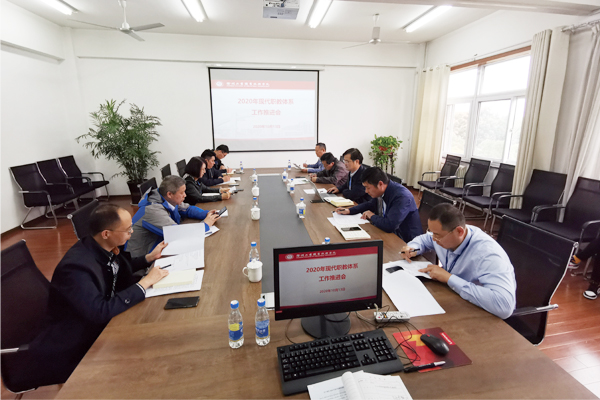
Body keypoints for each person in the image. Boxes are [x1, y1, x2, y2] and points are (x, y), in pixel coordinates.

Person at [12, 204, 169, 389]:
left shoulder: (100, 246)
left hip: (94, 324)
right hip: (74, 343)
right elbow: (99, 312)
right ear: (106, 233)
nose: (132, 232)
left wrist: (148, 258)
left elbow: (116, 268)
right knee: (147, 356)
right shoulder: (76, 268)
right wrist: (143, 283)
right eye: (127, 230)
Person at [401, 203, 517, 319]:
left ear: (459, 232)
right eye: (432, 232)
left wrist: (449, 278)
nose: (434, 239)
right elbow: (426, 239)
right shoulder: (447, 235)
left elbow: (505, 306)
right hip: (454, 299)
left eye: (437, 235)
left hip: (481, 314)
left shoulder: (488, 255)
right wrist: (413, 247)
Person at [127, 175, 220, 257]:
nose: (185, 195)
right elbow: (177, 234)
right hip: (142, 256)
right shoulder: (152, 209)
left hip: (160, 244)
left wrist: (206, 214)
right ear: (169, 194)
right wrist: (205, 225)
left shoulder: (165, 197)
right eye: (182, 192)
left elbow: (187, 209)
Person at [336, 167, 422, 242]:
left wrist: (372, 216)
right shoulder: (383, 190)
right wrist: (349, 210)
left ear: (380, 184)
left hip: (406, 241)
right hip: (390, 234)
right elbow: (370, 204)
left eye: (368, 187)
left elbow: (389, 225)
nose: (366, 191)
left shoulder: (401, 197)